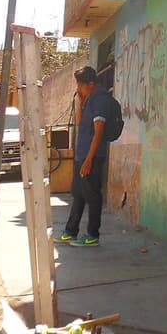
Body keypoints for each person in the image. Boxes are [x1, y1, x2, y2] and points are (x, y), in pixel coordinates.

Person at [57, 66, 110, 247]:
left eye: (80, 85)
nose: (78, 89)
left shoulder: (100, 100)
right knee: (78, 194)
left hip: (92, 157)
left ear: (91, 84)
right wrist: (80, 101)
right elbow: (80, 124)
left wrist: (88, 160)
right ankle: (71, 231)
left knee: (93, 196)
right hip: (82, 156)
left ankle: (92, 235)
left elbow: (98, 133)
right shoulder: (89, 99)